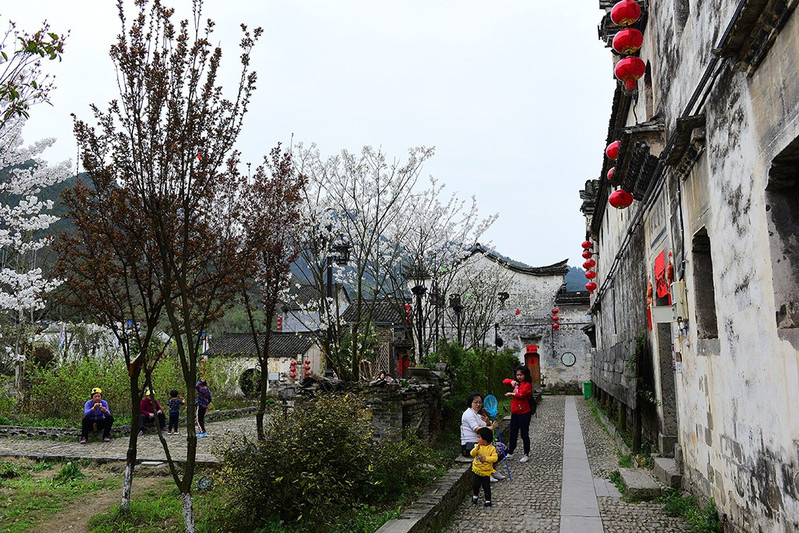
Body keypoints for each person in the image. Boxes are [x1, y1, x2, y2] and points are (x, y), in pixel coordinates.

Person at [460, 392, 504, 482]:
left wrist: (488, 422)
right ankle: (486, 473)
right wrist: (491, 428)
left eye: (480, 402)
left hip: (482, 443)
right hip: (470, 445)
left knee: (502, 448)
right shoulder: (468, 414)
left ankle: (491, 470)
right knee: (491, 450)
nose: (478, 404)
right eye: (476, 402)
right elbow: (477, 429)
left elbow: (484, 425)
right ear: (470, 403)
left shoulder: (477, 414)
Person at [503, 365, 533, 463]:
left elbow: (521, 395)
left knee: (524, 434)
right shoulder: (516, 383)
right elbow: (504, 381)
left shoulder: (527, 385)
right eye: (517, 375)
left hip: (524, 413)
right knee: (513, 433)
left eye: (521, 375)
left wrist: (512, 394)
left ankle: (526, 453)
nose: (519, 377)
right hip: (515, 412)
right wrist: (510, 382)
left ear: (525, 375)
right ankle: (511, 452)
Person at [469, 427, 498, 507]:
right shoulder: (477, 446)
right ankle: (475, 496)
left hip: (486, 472)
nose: (477, 439)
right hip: (477, 470)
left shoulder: (491, 448)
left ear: (485, 439)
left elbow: (495, 458)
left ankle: (488, 500)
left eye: (479, 437)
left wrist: (486, 459)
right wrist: (476, 450)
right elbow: (472, 454)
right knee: (475, 485)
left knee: (486, 487)